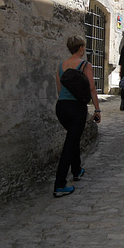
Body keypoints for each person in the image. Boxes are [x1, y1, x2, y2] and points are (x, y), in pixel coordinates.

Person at [54, 36, 101, 197]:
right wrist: (97, 109)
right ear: (81, 48)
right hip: (76, 108)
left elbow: (59, 89)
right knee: (70, 143)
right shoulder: (85, 65)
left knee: (72, 138)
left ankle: (76, 170)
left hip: (61, 107)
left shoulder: (61, 65)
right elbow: (92, 88)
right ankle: (59, 184)